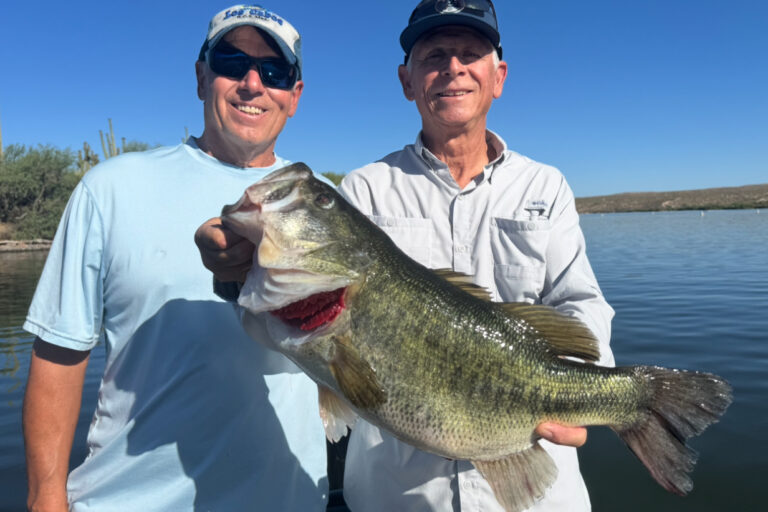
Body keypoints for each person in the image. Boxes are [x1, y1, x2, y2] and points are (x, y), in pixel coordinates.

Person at [196, 1, 615, 510]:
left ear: (498, 76)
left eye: (470, 54)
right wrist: (237, 275)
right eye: (435, 55)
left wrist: (580, 393)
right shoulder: (366, 189)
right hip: (396, 495)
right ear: (407, 81)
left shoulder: (546, 186)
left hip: (535, 489)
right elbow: (278, 331)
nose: (453, 68)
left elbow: (581, 306)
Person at [22, 5, 329, 512]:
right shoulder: (111, 188)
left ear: (294, 97)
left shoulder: (327, 207)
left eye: (275, 72)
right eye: (232, 62)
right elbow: (59, 354)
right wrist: (45, 498)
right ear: (201, 76)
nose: (253, 84)